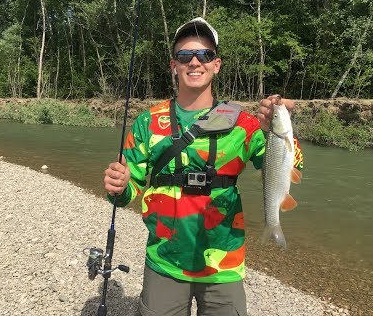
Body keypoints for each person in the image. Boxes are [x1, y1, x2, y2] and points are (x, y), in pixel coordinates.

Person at [103, 17, 303, 316]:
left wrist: (277, 130)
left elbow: (288, 167)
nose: (195, 62)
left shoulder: (243, 123)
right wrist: (118, 187)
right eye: (185, 56)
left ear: (217, 64)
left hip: (223, 263)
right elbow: (129, 189)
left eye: (205, 55)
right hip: (165, 259)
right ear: (174, 65)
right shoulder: (149, 122)